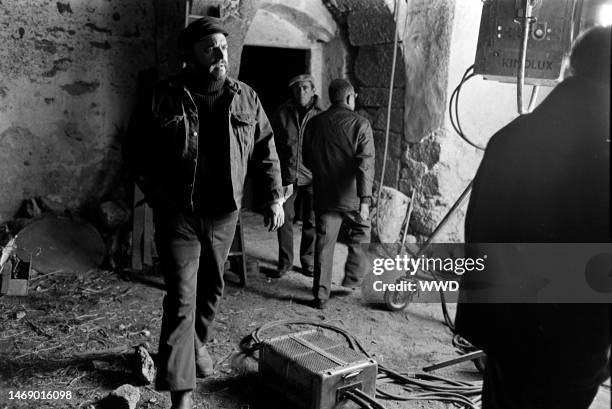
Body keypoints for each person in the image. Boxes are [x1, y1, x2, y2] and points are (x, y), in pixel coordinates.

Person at [124, 17, 284, 409]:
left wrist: (275, 197)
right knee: (181, 296)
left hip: (223, 215)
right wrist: (159, 196)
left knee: (211, 290)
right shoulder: (162, 95)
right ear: (189, 54)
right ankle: (182, 393)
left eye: (224, 47)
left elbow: (266, 149)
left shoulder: (246, 97)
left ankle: (195, 345)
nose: (220, 54)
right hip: (178, 214)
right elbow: (134, 152)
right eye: (210, 47)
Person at [455, 26, 611, 409]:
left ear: (571, 68)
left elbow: (477, 231)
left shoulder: (510, 137)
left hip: (507, 333)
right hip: (576, 342)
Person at [303, 79, 375, 309]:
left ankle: (320, 296)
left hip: (324, 195)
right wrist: (365, 200)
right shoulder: (360, 124)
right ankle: (352, 279)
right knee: (362, 231)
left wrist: (323, 175)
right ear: (349, 98)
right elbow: (365, 165)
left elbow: (307, 158)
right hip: (352, 197)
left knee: (324, 244)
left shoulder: (315, 123)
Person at [268, 74, 324, 278]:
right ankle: (285, 262)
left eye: (305, 88)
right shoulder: (282, 112)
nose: (301, 92)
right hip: (288, 175)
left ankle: (307, 262)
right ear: (292, 91)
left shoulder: (321, 114)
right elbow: (271, 142)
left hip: (312, 176)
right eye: (297, 88)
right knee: (284, 218)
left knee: (311, 220)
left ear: (313, 90)